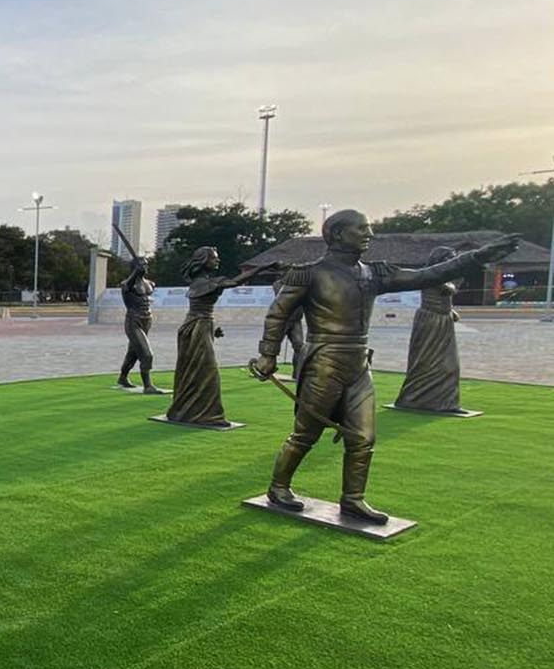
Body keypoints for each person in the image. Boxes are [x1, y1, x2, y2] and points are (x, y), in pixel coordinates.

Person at [255, 211, 517, 523]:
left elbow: (427, 276)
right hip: (324, 360)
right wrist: (268, 355)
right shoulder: (309, 273)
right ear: (337, 234)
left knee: (364, 438)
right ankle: (278, 487)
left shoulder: (375, 273)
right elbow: (278, 314)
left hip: (358, 363)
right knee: (306, 433)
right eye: (361, 228)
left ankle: (353, 499)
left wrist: (476, 258)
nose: (370, 233)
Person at [166, 247, 275, 426]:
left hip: (200, 326)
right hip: (197, 328)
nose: (218, 261)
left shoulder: (203, 282)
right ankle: (204, 414)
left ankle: (187, 411)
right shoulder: (201, 283)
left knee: (196, 371)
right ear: (203, 261)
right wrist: (260, 268)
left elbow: (202, 309)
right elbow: (234, 282)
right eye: (214, 258)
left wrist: (213, 327)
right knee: (207, 371)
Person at [393, 246, 468, 413]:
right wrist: (460, 273)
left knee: (449, 363)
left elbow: (447, 293)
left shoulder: (443, 275)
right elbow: (447, 289)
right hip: (430, 321)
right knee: (427, 362)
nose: (452, 261)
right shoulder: (431, 275)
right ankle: (415, 399)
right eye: (450, 258)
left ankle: (445, 402)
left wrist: (450, 311)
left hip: (442, 320)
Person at [116, 256, 165, 393]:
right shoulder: (127, 284)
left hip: (147, 320)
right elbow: (126, 287)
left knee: (133, 353)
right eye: (142, 265)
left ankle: (122, 377)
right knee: (146, 354)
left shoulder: (150, 284)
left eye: (146, 264)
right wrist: (135, 273)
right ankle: (148, 385)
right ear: (135, 267)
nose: (145, 267)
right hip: (133, 321)